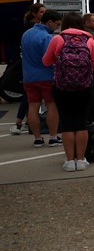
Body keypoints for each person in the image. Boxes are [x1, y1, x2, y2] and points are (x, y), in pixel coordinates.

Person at [42, 12, 94, 171]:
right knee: (81, 123)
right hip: (84, 87)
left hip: (62, 87)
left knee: (67, 124)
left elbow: (46, 61)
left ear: (65, 24)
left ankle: (69, 161)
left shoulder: (57, 39)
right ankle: (81, 160)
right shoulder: (89, 39)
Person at [20, 8, 61, 148]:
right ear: (50, 22)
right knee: (51, 106)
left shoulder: (26, 33)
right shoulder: (47, 38)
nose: (58, 27)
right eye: (57, 24)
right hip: (46, 76)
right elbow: (49, 59)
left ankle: (37, 138)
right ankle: (53, 137)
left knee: (32, 107)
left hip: (29, 77)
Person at [9, 3, 45, 135]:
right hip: (34, 69)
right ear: (34, 13)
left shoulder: (32, 27)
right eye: (41, 12)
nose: (43, 14)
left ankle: (26, 122)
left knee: (31, 98)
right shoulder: (32, 28)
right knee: (30, 97)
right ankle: (18, 123)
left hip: (32, 69)